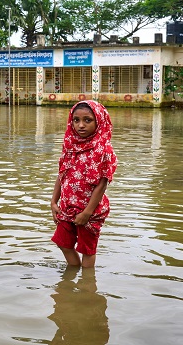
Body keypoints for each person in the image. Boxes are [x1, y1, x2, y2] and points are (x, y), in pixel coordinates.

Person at [50, 100, 117, 268]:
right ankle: (73, 274)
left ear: (99, 121)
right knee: (63, 243)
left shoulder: (103, 149)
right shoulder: (70, 145)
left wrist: (87, 213)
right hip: (67, 206)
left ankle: (86, 285)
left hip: (90, 210)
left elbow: (102, 184)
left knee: (87, 250)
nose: (81, 125)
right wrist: (53, 202)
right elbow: (61, 174)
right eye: (76, 120)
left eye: (87, 120)